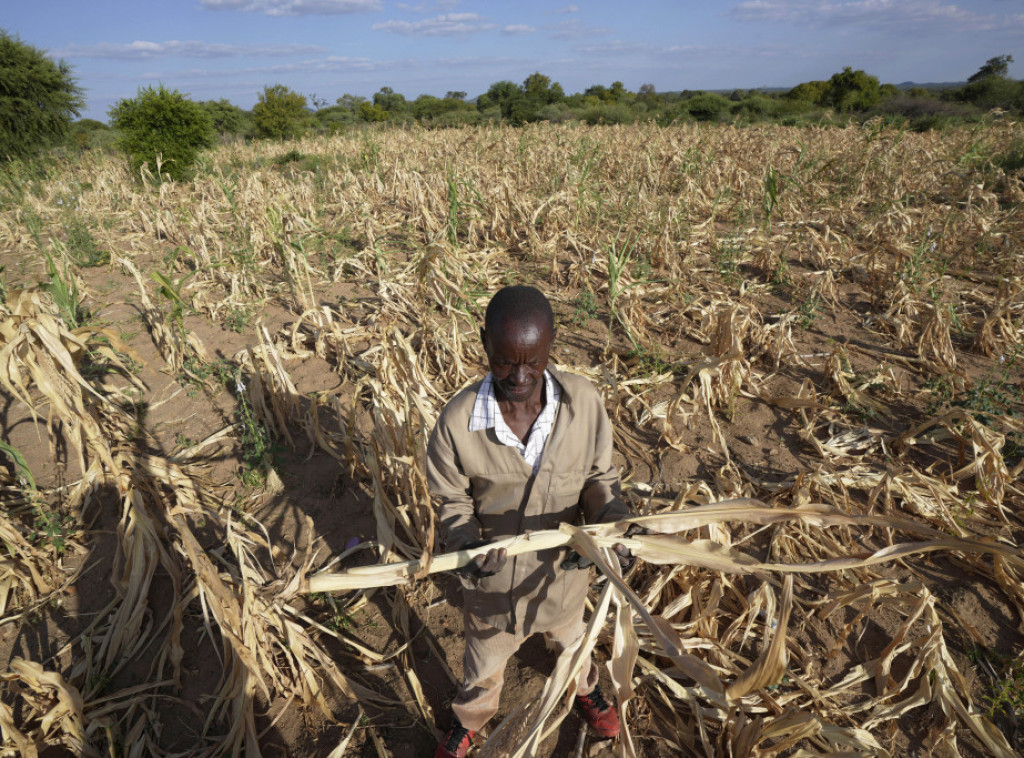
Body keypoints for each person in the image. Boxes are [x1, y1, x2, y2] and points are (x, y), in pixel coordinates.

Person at [426, 285, 635, 758]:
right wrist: (466, 547)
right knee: (483, 665)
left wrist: (612, 523)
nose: (520, 376)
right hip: (493, 591)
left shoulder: (582, 404)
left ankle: (583, 689)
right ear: (484, 343)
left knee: (573, 645)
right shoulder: (458, 423)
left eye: (533, 362)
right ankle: (469, 721)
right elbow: (452, 501)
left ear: (551, 344)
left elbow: (599, 479)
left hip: (561, 581)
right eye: (504, 362)